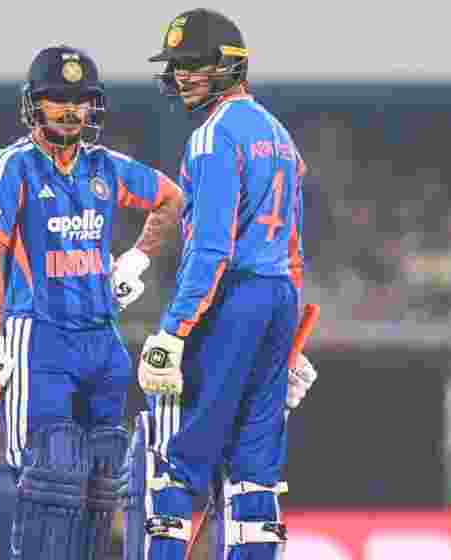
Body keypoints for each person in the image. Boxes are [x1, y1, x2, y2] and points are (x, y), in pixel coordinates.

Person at [0, 44, 184, 560]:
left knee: (103, 482)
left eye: (80, 99)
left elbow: (171, 198)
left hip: (103, 338)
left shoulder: (105, 166)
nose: (70, 109)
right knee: (50, 477)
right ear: (35, 104)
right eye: (58, 98)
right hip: (40, 337)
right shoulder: (10, 168)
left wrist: (136, 261)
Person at [126, 9, 318, 560]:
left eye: (193, 65)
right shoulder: (278, 135)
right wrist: (288, 342)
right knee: (256, 469)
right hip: (278, 296)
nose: (181, 76)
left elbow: (211, 249)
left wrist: (172, 331)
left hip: (233, 298)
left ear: (228, 68)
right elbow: (293, 251)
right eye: (177, 66)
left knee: (183, 454)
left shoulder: (212, 138)